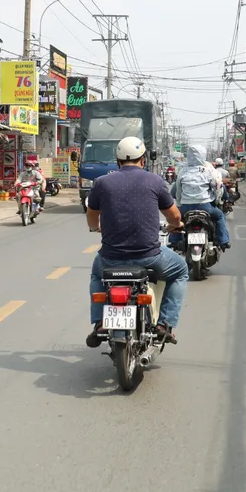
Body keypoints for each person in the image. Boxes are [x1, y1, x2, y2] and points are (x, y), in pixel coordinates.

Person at [85, 136, 188, 346]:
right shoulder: (155, 181)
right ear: (143, 160)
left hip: (110, 258)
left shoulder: (101, 183)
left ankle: (99, 323)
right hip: (150, 257)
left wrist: (96, 228)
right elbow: (175, 216)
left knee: (97, 274)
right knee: (181, 270)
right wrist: (175, 225)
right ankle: (165, 324)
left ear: (118, 160)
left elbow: (92, 215)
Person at [168, 145, 231, 251]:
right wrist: (216, 199)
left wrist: (179, 202)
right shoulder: (208, 171)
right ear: (203, 156)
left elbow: (178, 190)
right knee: (220, 216)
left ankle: (174, 241)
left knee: (177, 218)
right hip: (205, 206)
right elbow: (217, 187)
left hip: (185, 206)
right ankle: (223, 241)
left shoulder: (183, 171)